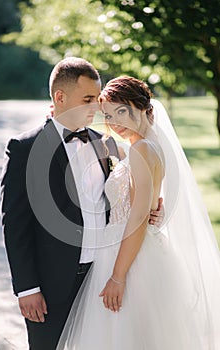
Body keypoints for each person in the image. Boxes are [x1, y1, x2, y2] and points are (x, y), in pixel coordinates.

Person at [0, 58, 162, 350]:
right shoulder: (24, 148)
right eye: (88, 99)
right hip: (51, 286)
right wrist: (27, 288)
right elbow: (15, 225)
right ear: (60, 98)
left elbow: (126, 195)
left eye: (97, 99)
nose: (97, 107)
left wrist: (152, 207)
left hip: (101, 277)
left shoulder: (106, 143)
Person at [57, 76, 220, 350]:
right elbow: (146, 200)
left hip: (130, 257)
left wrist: (118, 276)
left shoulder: (141, 149)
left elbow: (138, 217)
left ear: (142, 107)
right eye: (108, 115)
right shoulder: (148, 144)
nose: (115, 122)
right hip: (135, 249)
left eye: (121, 111)